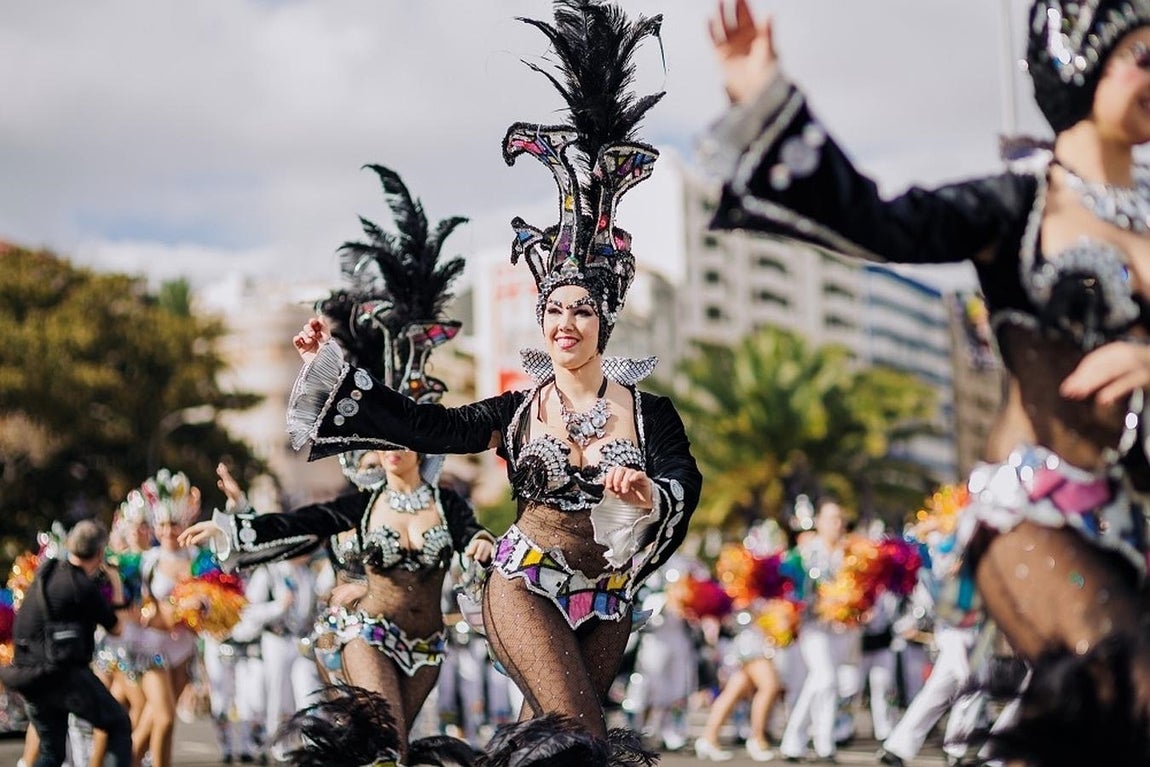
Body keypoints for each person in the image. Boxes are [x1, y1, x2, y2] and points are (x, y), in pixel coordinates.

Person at [704, 1, 1150, 762]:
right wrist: (766, 97)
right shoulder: (1019, 204)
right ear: (1082, 61)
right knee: (1129, 683)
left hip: (1133, 522)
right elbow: (879, 221)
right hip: (1030, 515)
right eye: (1143, 56)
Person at [263, 4, 700, 763]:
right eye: (553, 308)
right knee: (582, 742)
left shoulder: (647, 411)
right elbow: (425, 427)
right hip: (523, 582)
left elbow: (683, 478)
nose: (565, 322)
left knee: (548, 746)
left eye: (582, 309)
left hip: (608, 596)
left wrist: (645, 492)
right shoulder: (516, 410)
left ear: (606, 320)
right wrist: (334, 367)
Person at [181, 164, 495, 767]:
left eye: (403, 439)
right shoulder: (365, 505)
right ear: (372, 450)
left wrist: (481, 546)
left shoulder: (447, 504)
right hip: (367, 633)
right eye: (383, 440)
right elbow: (310, 520)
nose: (394, 448)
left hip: (428, 647)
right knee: (384, 747)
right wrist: (235, 527)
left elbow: (472, 536)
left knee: (396, 749)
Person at [1, 520, 133, 767]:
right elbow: (117, 628)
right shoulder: (82, 586)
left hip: (30, 676)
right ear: (100, 553)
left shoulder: (46, 573)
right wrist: (115, 584)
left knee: (52, 753)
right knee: (118, 724)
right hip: (62, 675)